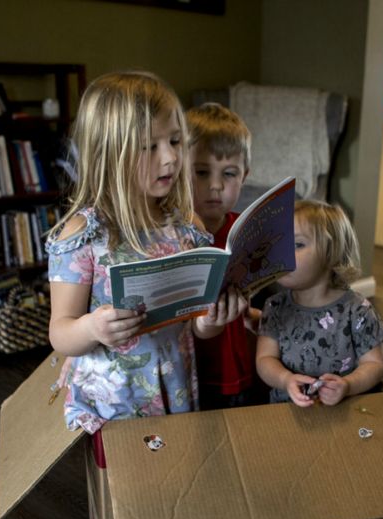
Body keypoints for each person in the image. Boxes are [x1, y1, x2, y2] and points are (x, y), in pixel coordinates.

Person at [46, 71, 246, 434]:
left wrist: (212, 321)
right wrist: (92, 327)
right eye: (150, 146)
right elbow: (60, 332)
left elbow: (196, 325)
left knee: (171, 476)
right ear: (110, 153)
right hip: (111, 402)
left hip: (176, 387)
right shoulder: (83, 234)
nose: (170, 158)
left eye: (175, 141)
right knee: (122, 487)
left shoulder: (186, 224)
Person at [256, 200, 383, 407]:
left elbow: (375, 364)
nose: (281, 254)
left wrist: (348, 385)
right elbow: (265, 359)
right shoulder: (275, 307)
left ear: (330, 252)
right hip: (286, 414)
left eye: (297, 245)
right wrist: (286, 380)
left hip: (343, 414)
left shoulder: (357, 310)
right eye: (278, 245)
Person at [186, 103, 263, 409]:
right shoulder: (175, 236)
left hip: (241, 366)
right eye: (202, 172)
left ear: (245, 175)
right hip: (195, 373)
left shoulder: (243, 229)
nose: (215, 185)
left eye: (229, 174)